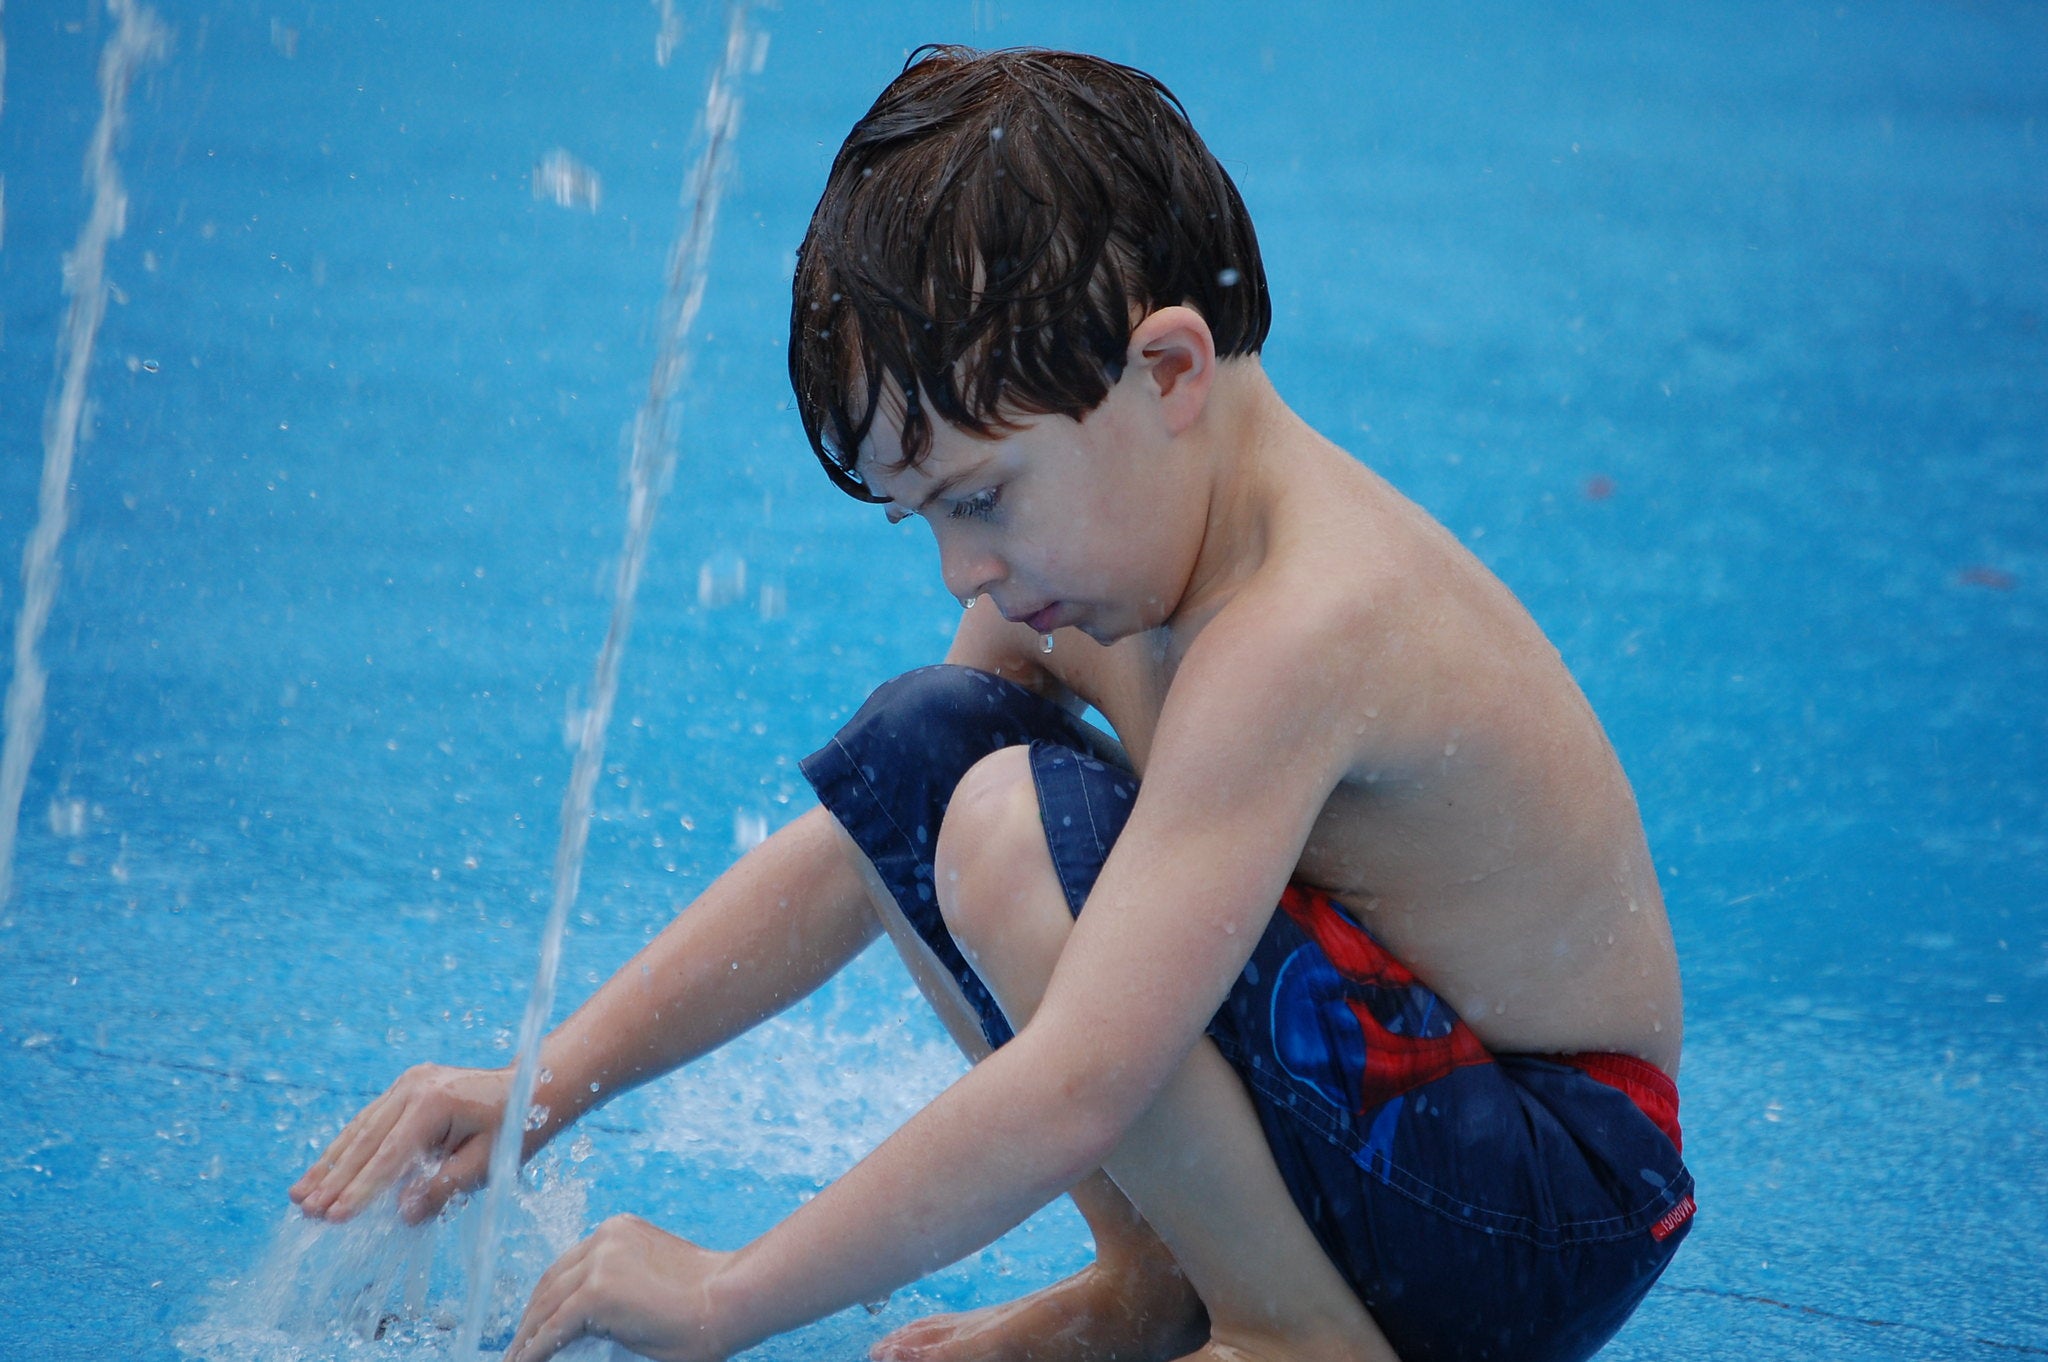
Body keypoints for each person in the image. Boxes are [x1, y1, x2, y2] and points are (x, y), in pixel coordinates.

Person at [288, 46, 1693, 1362]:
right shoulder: (1105, 563)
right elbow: (862, 852)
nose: (966, 564)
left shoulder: (1301, 627)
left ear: (1167, 372)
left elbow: (1085, 1073)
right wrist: (545, 1084)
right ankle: (1158, 1281)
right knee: (922, 752)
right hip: (1406, 1119)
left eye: (981, 499)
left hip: (1542, 1195)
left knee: (1018, 837)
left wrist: (731, 1291)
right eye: (925, 521)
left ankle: (1294, 1332)